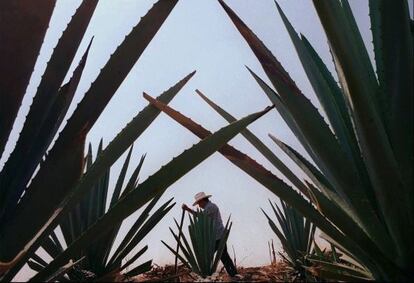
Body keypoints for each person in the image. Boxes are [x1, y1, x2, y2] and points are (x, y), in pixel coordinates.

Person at [182, 192, 238, 277]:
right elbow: (200, 217)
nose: (199, 206)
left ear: (203, 201)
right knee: (223, 256)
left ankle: (232, 274)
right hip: (216, 237)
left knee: (214, 256)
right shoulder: (209, 207)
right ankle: (233, 274)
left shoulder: (211, 207)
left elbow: (201, 217)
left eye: (199, 203)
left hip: (218, 236)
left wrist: (188, 209)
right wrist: (188, 209)